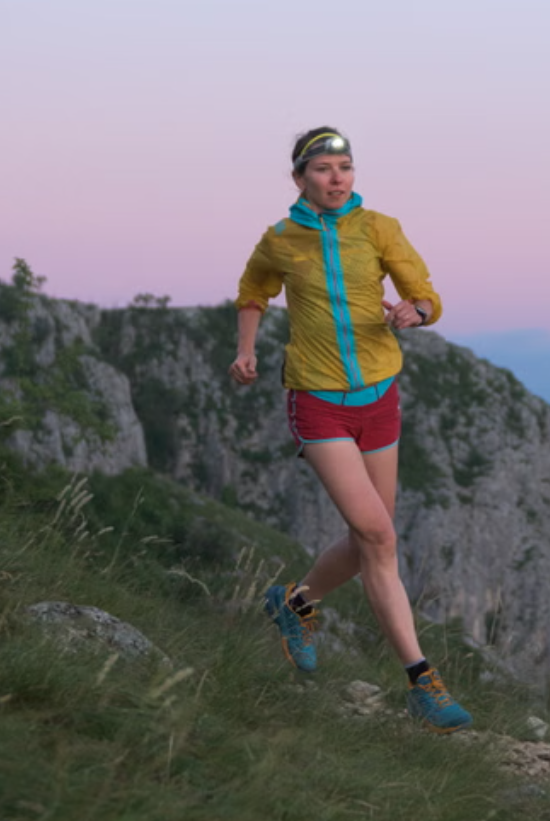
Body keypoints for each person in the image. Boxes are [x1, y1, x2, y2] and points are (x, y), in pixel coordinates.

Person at [229, 127, 472, 733]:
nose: (336, 178)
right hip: (317, 402)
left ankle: (293, 603)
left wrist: (416, 311)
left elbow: (426, 294)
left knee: (373, 542)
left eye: (345, 167)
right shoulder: (280, 240)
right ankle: (422, 681)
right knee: (378, 537)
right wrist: (246, 350)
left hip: (379, 399)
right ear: (299, 179)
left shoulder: (380, 228)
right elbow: (253, 291)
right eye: (322, 168)